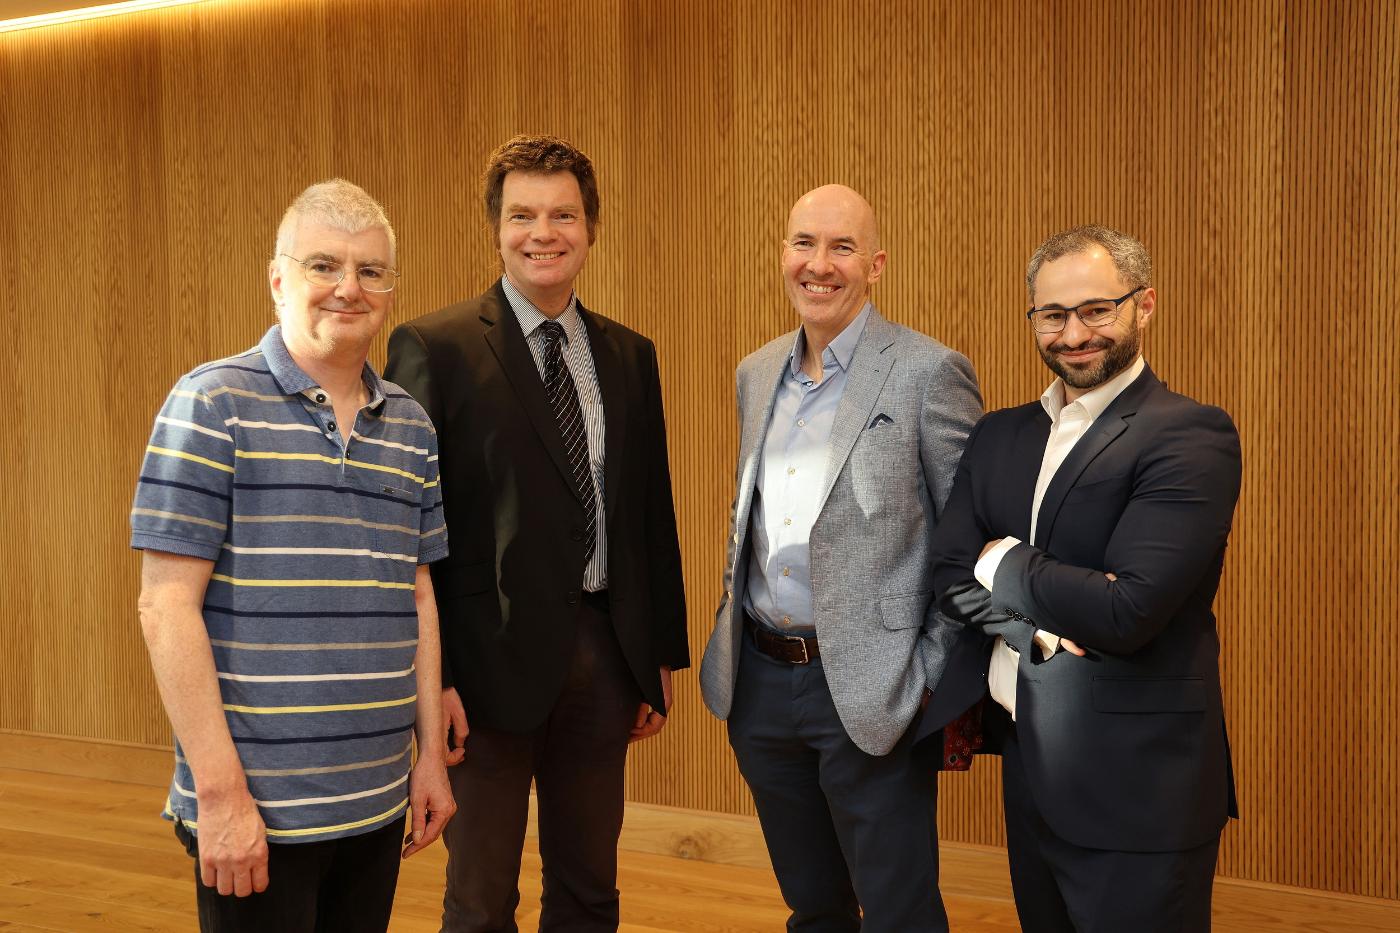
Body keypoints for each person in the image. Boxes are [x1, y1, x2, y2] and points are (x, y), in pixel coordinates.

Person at [131, 179, 455, 932]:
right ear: (279, 279)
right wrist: (219, 795)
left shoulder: (410, 425)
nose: (349, 288)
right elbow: (165, 605)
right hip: (257, 809)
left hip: (375, 803)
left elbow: (418, 596)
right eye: (324, 266)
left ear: (390, 288)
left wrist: (428, 758)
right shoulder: (210, 404)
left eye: (371, 271)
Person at [384, 134, 688, 932]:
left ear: (590, 229)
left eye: (563, 214)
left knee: (590, 890)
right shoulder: (434, 348)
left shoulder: (628, 355)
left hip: (603, 656)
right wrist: (432, 676)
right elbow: (411, 530)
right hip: (480, 671)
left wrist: (656, 651)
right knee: (481, 900)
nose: (542, 232)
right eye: (523, 214)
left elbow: (648, 510)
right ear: (495, 229)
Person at [931, 224, 1241, 932]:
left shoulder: (1190, 434)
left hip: (1140, 785)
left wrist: (1000, 556)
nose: (1074, 334)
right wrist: (1031, 626)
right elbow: (948, 569)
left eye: (1097, 309)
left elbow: (1124, 608)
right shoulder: (999, 434)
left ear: (1145, 304)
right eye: (1053, 314)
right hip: (1028, 761)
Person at [699, 184, 985, 932]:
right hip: (759, 682)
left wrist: (927, 671)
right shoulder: (757, 372)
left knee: (898, 909)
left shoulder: (929, 372)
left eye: (842, 247)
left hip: (871, 686)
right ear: (782, 254)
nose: (818, 264)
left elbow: (968, 540)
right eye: (803, 243)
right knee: (813, 903)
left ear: (876, 264)